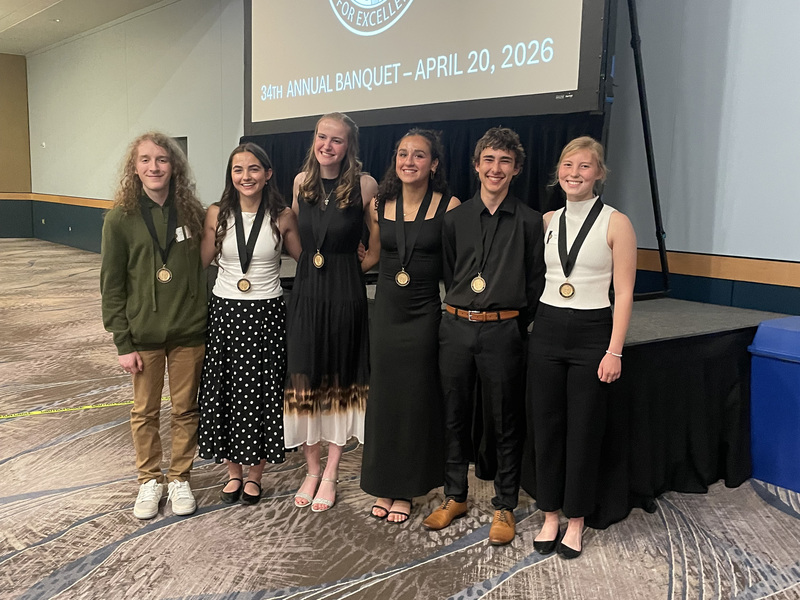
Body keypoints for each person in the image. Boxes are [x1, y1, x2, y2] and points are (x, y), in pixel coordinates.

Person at [422, 127, 545, 545]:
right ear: (476, 166)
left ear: (516, 169)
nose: (496, 169)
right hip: (456, 327)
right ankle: (455, 495)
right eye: (489, 160)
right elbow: (451, 270)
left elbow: (534, 282)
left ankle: (505, 505)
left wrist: (507, 316)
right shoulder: (454, 220)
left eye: (505, 162)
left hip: (502, 330)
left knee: (505, 420)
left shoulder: (530, 221)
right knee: (453, 414)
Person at [526, 136, 636, 559]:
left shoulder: (616, 222)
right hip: (549, 328)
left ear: (599, 174)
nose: (574, 173)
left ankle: (576, 519)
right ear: (558, 172)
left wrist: (615, 350)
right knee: (548, 427)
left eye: (585, 166)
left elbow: (624, 293)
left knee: (584, 429)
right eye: (568, 165)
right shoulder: (548, 220)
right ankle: (550, 513)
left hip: (593, 332)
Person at [100, 132, 207, 519]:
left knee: (185, 409)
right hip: (142, 334)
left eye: (161, 159)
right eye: (145, 160)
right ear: (135, 168)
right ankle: (149, 479)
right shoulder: (120, 219)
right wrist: (122, 342)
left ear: (173, 166)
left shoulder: (193, 213)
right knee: (144, 411)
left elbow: (206, 268)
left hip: (189, 332)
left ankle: (180, 477)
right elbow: (111, 285)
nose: (154, 167)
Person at [359, 129, 461, 523]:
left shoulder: (449, 205)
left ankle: (407, 489)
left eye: (419, 155)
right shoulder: (378, 204)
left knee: (416, 398)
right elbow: (374, 254)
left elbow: (454, 268)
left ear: (433, 164)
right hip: (385, 312)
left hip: (424, 313)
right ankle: (383, 483)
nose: (409, 161)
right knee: (384, 398)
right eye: (403, 154)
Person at [198, 143, 302, 505]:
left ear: (268, 174)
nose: (246, 176)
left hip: (265, 314)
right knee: (226, 392)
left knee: (261, 395)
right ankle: (233, 472)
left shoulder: (283, 215)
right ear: (231, 175)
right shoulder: (217, 213)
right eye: (239, 169)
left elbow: (304, 259)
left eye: (254, 169)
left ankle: (255, 475)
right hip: (225, 312)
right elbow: (203, 259)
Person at [285, 112, 378, 512]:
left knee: (340, 378)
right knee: (305, 376)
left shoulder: (364, 184)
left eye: (336, 140)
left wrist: (353, 266)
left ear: (349, 146)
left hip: (346, 292)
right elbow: (295, 234)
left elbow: (376, 245)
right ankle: (310, 468)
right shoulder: (301, 183)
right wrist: (308, 263)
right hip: (307, 291)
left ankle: (332, 472)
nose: (327, 145)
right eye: (322, 137)